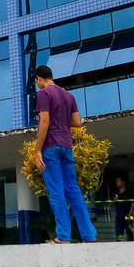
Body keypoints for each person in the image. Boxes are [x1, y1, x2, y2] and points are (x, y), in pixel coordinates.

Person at [33, 65, 97, 244]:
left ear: (38, 78)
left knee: (56, 191)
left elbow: (44, 122)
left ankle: (62, 236)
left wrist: (38, 150)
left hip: (50, 146)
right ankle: (89, 235)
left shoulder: (43, 94)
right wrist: (61, 121)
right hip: (67, 146)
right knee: (73, 189)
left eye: (36, 82)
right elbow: (77, 122)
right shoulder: (69, 95)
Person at [114, 176, 134, 241]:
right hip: (119, 216)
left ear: (123, 182)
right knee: (119, 234)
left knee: (129, 232)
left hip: (128, 215)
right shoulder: (116, 193)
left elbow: (132, 204)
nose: (117, 183)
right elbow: (112, 203)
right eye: (116, 181)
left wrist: (129, 214)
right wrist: (114, 200)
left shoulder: (128, 192)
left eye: (118, 181)